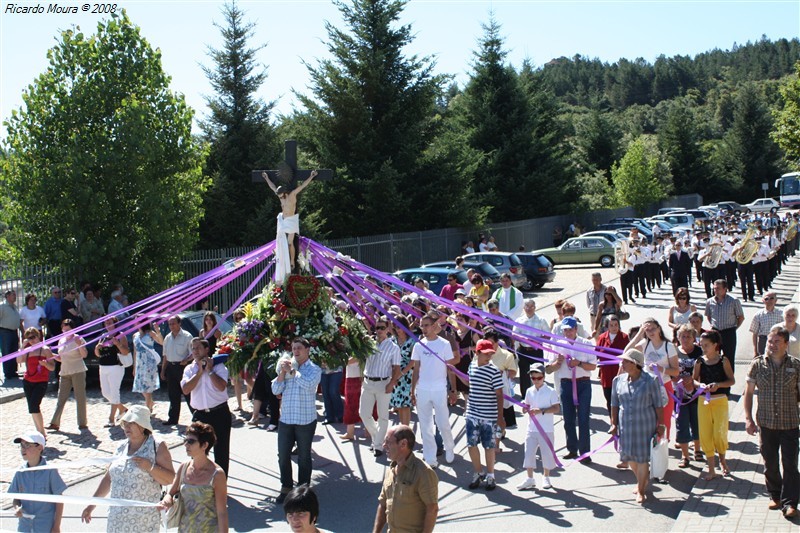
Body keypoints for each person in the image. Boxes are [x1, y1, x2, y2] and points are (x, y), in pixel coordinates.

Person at [81, 406, 176, 530]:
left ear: (142, 426)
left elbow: (170, 479)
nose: (127, 427)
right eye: (125, 423)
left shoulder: (156, 446)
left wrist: (150, 467)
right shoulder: (121, 447)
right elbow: (109, 479)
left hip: (143, 519)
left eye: (131, 423)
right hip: (117, 518)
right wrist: (91, 506)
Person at [744, 326, 800, 518]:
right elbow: (749, 393)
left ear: (786, 344)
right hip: (766, 424)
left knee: (791, 464)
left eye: (777, 342)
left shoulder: (796, 365)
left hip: (790, 423)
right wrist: (748, 419)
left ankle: (790, 502)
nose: (772, 345)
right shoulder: (758, 364)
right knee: (770, 462)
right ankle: (775, 495)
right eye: (770, 341)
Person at [609, 349, 665, 504]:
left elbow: (658, 404)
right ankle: (642, 480)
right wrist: (614, 423)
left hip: (644, 424)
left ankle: (641, 490)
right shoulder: (617, 381)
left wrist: (661, 424)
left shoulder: (650, 380)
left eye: (626, 361)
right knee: (630, 458)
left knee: (642, 459)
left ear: (636, 364)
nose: (623, 363)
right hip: (626, 425)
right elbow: (614, 403)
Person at [272, 337, 322, 503]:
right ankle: (286, 487)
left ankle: (302, 489)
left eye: (299, 348)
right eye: (294, 348)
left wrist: (293, 372)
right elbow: (275, 390)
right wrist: (282, 373)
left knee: (304, 456)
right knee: (283, 455)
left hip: (305, 420)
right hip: (286, 418)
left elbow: (309, 385)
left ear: (307, 350)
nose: (296, 351)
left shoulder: (314, 369)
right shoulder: (285, 366)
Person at [159, 421, 229, 532]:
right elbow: (171, 493)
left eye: (191, 441)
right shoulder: (184, 467)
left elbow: (222, 512)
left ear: (205, 445)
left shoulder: (217, 474)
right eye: (185, 440)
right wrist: (167, 500)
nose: (186, 445)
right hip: (185, 529)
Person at [546, 317, 597, 462]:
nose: (568, 333)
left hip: (583, 384)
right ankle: (572, 449)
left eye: (570, 329)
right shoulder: (557, 345)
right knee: (568, 419)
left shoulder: (586, 344)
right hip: (566, 384)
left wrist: (579, 363)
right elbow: (549, 369)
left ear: (576, 329)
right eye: (565, 330)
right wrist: (557, 362)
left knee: (583, 418)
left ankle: (585, 452)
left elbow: (593, 366)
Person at [411, 312, 458, 468]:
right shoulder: (418, 345)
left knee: (442, 421)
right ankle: (430, 456)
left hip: (439, 388)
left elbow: (450, 369)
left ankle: (449, 447)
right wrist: (412, 391)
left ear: (433, 326)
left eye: (426, 325)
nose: (423, 328)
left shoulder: (444, 344)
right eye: (421, 325)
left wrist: (453, 390)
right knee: (425, 424)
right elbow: (416, 370)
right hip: (422, 389)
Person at [373, 425, 439, 533]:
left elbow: (432, 509)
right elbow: (383, 504)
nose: (384, 445)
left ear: (403, 444)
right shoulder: (391, 470)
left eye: (388, 442)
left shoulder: (424, 473)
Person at [181, 338, 232, 477]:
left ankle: (220, 484)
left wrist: (209, 371)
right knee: (196, 449)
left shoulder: (219, 366)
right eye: (193, 348)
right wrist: (199, 373)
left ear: (206, 349)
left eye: (198, 348)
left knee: (221, 450)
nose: (195, 351)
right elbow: (185, 389)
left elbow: (221, 387)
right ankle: (196, 480)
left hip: (219, 412)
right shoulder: (190, 369)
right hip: (200, 415)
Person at [625, 318, 678, 441]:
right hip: (647, 387)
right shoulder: (645, 343)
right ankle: (649, 451)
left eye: (653, 328)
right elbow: (627, 352)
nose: (650, 332)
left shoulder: (668, 346)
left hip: (664, 386)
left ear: (659, 328)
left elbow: (676, 371)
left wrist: (661, 369)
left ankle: (661, 450)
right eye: (647, 330)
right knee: (649, 420)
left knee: (663, 421)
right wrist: (639, 334)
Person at [693, 330, 735, 480]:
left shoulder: (723, 360)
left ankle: (723, 461)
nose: (703, 348)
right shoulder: (699, 361)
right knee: (705, 433)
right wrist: (701, 385)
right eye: (701, 345)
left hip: (720, 400)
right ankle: (711, 469)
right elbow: (694, 380)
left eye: (706, 345)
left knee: (719, 433)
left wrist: (718, 385)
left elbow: (731, 380)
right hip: (703, 400)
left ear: (715, 345)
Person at [262, 169, 318, 280]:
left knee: (289, 242)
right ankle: (281, 260)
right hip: (283, 220)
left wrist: (311, 176)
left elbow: (302, 186)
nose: (280, 197)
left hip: (291, 221)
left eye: (281, 195)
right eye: (279, 195)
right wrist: (266, 178)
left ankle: (292, 260)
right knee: (279, 241)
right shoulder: (280, 195)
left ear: (285, 192)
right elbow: (272, 187)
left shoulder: (292, 195)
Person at [359, 317, 401, 458]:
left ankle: (377, 446)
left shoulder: (393, 347)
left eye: (382, 327)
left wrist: (391, 383)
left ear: (388, 329)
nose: (379, 331)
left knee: (383, 416)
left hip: (384, 382)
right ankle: (378, 437)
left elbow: (397, 368)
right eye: (377, 328)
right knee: (363, 413)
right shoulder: (369, 343)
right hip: (368, 381)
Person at [9, 431, 66, 533]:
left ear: (40, 448)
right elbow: (16, 498)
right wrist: (17, 508)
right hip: (25, 527)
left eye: (27, 445)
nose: (23, 449)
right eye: (21, 445)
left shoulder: (50, 471)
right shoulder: (20, 472)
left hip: (45, 526)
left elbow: (59, 500)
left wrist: (56, 526)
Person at [518, 363, 560, 491]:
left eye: (539, 378)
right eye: (533, 378)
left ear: (543, 377)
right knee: (529, 453)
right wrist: (525, 408)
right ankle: (530, 478)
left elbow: (556, 408)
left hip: (546, 428)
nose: (536, 380)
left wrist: (541, 410)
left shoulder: (551, 391)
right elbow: (527, 405)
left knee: (546, 453)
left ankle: (546, 476)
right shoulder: (529, 391)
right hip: (532, 428)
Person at [48, 319, 88, 431]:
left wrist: (80, 344)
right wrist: (53, 356)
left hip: (78, 371)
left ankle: (82, 422)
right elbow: (62, 358)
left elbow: (84, 355)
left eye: (68, 329)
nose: (65, 331)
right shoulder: (61, 340)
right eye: (64, 329)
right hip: (65, 372)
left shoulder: (78, 338)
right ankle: (54, 422)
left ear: (73, 329)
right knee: (61, 397)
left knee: (80, 397)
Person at [17, 328, 55, 436]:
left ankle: (41, 432)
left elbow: (52, 367)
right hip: (28, 381)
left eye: (33, 337)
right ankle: (39, 430)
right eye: (29, 338)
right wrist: (22, 347)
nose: (32, 340)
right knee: (32, 408)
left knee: (34, 405)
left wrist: (45, 364)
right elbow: (19, 360)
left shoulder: (45, 350)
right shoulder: (28, 350)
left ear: (38, 336)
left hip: (41, 381)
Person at [94, 316, 130, 427]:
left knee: (114, 392)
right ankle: (122, 409)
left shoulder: (120, 335)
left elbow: (126, 352)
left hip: (116, 367)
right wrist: (97, 347)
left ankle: (111, 419)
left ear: (115, 323)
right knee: (105, 392)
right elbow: (98, 354)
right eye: (106, 322)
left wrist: (117, 344)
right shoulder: (103, 336)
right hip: (103, 366)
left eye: (110, 322)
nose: (108, 324)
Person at [160, 315, 194, 425]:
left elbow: (193, 353)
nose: (172, 326)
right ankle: (173, 419)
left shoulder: (187, 336)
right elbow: (165, 356)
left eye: (174, 323)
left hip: (183, 367)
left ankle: (196, 417)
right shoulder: (167, 338)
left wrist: (186, 360)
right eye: (170, 324)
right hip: (171, 367)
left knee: (188, 393)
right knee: (173, 394)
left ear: (179, 323)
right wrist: (163, 370)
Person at [704, 279, 744, 367]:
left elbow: (740, 317)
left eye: (718, 288)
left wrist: (734, 328)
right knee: (714, 356)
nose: (715, 291)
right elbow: (708, 316)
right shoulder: (710, 301)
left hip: (729, 332)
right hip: (715, 333)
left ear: (725, 289)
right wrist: (713, 325)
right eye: (714, 288)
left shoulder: (733, 301)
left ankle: (729, 378)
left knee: (729, 358)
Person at [514, 299, 549, 398]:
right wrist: (523, 339)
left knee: (538, 373)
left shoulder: (541, 320)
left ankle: (541, 394)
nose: (529, 309)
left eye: (531, 307)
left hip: (536, 351)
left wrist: (537, 340)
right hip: (523, 350)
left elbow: (548, 335)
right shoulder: (519, 320)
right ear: (524, 308)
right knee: (524, 374)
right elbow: (514, 334)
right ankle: (526, 397)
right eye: (527, 307)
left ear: (535, 308)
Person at [595, 315, 628, 415]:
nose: (614, 327)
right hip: (606, 375)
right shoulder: (602, 338)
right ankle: (613, 422)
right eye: (611, 325)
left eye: (616, 325)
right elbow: (596, 353)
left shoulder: (625, 337)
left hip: (620, 375)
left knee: (621, 400)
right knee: (609, 400)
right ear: (607, 326)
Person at [388, 315, 415, 427]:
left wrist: (402, 372)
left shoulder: (412, 340)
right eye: (396, 327)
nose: (398, 330)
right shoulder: (392, 340)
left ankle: (406, 428)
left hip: (407, 375)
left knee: (406, 404)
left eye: (400, 327)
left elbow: (413, 360)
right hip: (395, 374)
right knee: (398, 404)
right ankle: (402, 428)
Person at [132, 321, 163, 413]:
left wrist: (157, 331)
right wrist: (134, 366)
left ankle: (148, 409)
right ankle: (150, 403)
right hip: (139, 363)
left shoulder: (150, 333)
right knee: (141, 386)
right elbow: (135, 352)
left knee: (147, 387)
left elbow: (161, 342)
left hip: (149, 362)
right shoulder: (135, 335)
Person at [749, 292, 783, 356]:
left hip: (777, 340)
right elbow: (754, 334)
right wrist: (755, 351)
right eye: (766, 298)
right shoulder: (758, 315)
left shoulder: (781, 314)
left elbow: (786, 330)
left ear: (776, 300)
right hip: (763, 341)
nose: (769, 300)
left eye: (772, 298)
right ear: (763, 301)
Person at [0, 289, 22, 380]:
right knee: (7, 351)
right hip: (5, 332)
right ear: (7, 296)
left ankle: (13, 371)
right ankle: (7, 372)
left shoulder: (14, 306)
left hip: (14, 331)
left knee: (14, 351)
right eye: (13, 295)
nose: (15, 296)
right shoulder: (2, 307)